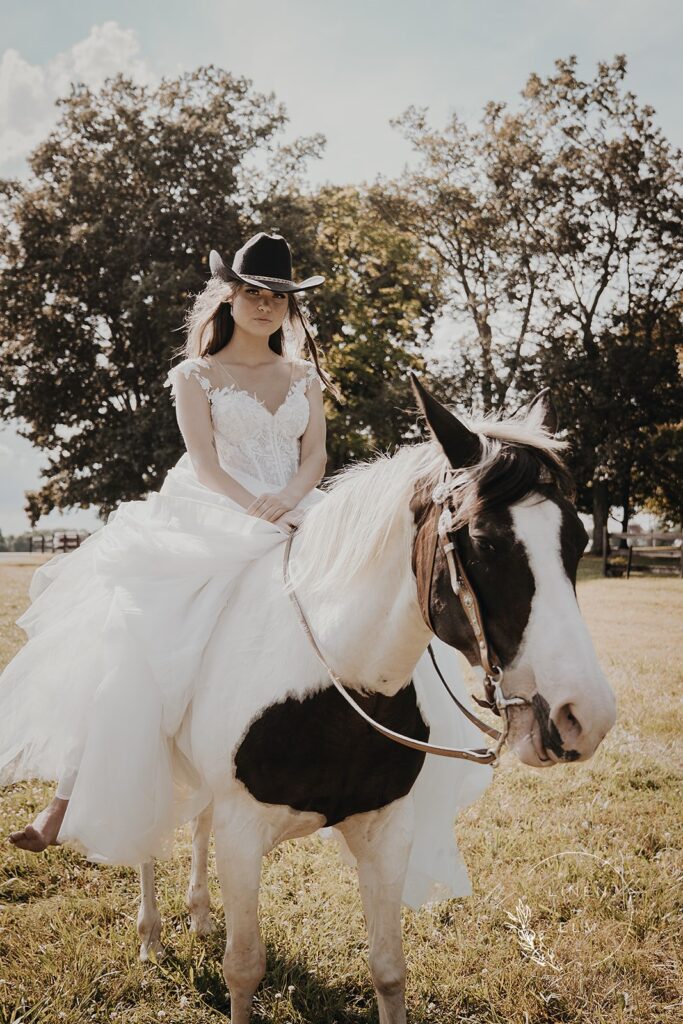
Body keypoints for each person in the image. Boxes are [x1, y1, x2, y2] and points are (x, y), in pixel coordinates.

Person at [1, 231, 490, 903]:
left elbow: (315, 456)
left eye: (278, 298)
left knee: (379, 602)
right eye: (253, 293)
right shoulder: (194, 375)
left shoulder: (302, 378)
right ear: (227, 297)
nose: (265, 306)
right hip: (210, 508)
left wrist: (290, 502)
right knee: (137, 628)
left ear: (289, 307)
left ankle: (384, 747)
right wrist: (252, 511)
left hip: (297, 505)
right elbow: (202, 460)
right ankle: (67, 792)